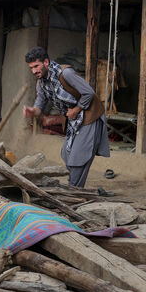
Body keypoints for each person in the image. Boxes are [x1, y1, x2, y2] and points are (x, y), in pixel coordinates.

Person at [22, 46, 109, 188]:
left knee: (78, 156)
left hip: (89, 115)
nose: (34, 71)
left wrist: (76, 109)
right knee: (67, 154)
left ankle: (74, 190)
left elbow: (89, 93)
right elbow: (40, 105)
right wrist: (33, 111)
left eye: (36, 66)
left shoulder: (65, 73)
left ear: (46, 62)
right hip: (73, 119)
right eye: (31, 68)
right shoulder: (41, 83)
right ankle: (73, 187)